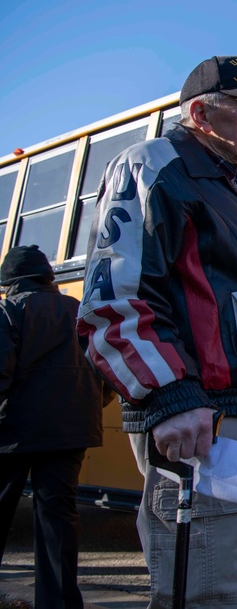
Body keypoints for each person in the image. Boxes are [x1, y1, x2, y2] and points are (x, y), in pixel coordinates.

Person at [77, 56, 237, 609]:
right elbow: (113, 297)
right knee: (211, 583)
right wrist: (169, 395)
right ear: (201, 114)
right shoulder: (155, 166)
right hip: (205, 423)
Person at [0, 245, 109, 609]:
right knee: (57, 519)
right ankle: (59, 602)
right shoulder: (80, 312)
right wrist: (88, 404)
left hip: (12, 432)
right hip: (70, 430)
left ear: (10, 281)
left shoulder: (10, 309)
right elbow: (107, 368)